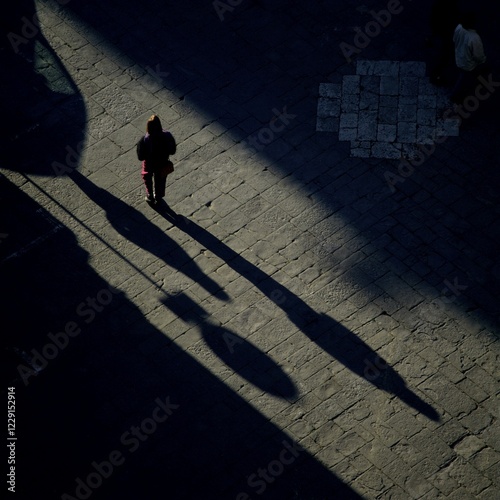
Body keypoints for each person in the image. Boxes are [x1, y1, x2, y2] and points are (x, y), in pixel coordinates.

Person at [137, 115, 176, 204]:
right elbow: (172, 151)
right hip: (162, 162)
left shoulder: (144, 140)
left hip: (149, 164)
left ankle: (150, 195)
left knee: (147, 177)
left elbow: (140, 157)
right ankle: (158, 196)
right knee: (161, 179)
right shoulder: (167, 136)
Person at [451, 11, 487, 103]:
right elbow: (478, 56)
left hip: (459, 57)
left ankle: (479, 78)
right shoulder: (474, 38)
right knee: (462, 80)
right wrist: (483, 60)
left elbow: (454, 39)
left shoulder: (459, 27)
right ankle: (454, 95)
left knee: (465, 75)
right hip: (467, 64)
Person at [428, 0, 461, 85]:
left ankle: (437, 74)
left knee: (445, 53)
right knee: (445, 54)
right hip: (446, 32)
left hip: (444, 31)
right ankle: (436, 75)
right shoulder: (445, 7)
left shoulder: (438, 6)